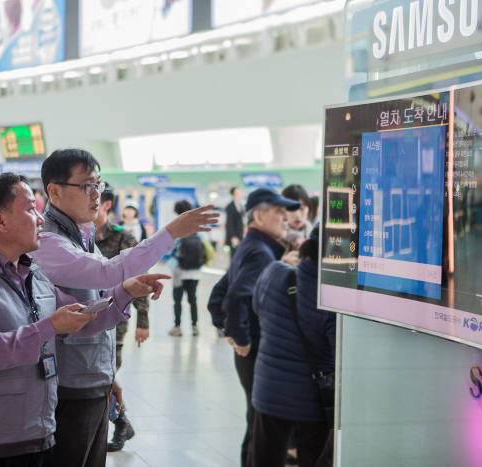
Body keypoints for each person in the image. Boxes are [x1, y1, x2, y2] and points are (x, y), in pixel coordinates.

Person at [0, 172, 165, 466]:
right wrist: (47, 328)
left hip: (38, 435)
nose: (40, 219)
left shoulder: (34, 276)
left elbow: (82, 318)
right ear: (0, 221)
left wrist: (124, 292)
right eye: (30, 209)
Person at [30, 148, 218, 467]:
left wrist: (106, 373)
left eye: (99, 185)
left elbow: (91, 305)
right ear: (55, 191)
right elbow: (107, 272)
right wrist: (170, 233)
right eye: (87, 186)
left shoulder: (81, 235)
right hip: (67, 388)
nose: (96, 195)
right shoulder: (49, 241)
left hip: (91, 379)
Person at [208, 187, 300, 467]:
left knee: (256, 422)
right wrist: (242, 338)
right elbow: (235, 296)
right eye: (279, 212)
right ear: (258, 216)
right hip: (257, 350)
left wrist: (227, 329)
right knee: (261, 428)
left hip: (250, 351)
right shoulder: (261, 253)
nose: (286, 218)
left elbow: (217, 295)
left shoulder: (252, 246)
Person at [248, 227, 334, 467]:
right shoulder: (330, 297)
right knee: (312, 457)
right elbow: (339, 353)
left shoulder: (274, 272)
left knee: (264, 458)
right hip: (312, 400)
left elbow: (257, 307)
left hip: (268, 391)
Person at [94, 185, 149, 452]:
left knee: (106, 373)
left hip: (116, 317)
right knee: (97, 375)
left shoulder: (121, 237)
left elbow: (139, 279)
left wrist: (143, 322)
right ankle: (120, 422)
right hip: (83, 316)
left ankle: (119, 422)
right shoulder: (77, 237)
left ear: (105, 205)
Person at [168, 199, 206, 338]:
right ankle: (195, 327)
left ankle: (177, 327)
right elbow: (205, 247)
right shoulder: (197, 227)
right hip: (195, 272)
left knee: (178, 300)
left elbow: (171, 248)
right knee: (193, 299)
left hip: (179, 271)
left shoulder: (177, 227)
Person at [281, 184, 313, 250]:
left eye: (302, 208)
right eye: (292, 209)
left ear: (308, 209)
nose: (297, 215)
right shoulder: (277, 238)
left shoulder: (314, 235)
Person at [225, 187, 245, 260]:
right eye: (237, 193)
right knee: (234, 256)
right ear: (233, 195)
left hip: (241, 235)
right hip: (234, 236)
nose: (240, 194)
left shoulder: (241, 205)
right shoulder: (230, 207)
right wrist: (233, 237)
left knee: (240, 256)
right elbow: (229, 223)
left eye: (240, 192)